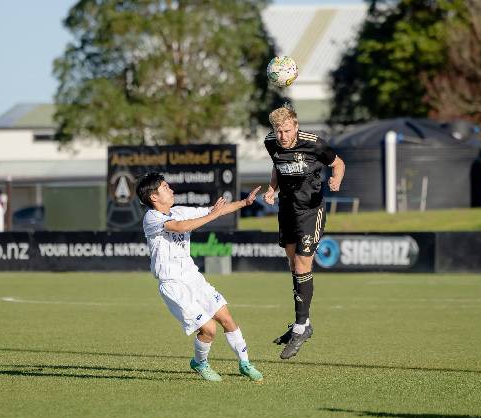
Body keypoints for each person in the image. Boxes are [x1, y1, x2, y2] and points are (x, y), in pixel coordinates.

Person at [137, 172, 264, 382]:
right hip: (173, 284)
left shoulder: (178, 210)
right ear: (154, 197)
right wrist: (213, 215)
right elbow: (180, 227)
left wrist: (245, 202)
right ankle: (200, 363)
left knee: (226, 318)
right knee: (209, 329)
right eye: (166, 187)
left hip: (193, 278)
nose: (171, 190)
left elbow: (216, 211)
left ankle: (245, 363)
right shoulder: (152, 217)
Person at [263, 105, 345, 359]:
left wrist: (336, 180)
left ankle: (300, 326)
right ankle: (303, 324)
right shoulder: (271, 143)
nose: (283, 136)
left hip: (310, 211)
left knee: (301, 266)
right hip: (287, 210)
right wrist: (271, 189)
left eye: (287, 130)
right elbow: (277, 166)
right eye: (279, 131)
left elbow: (338, 163)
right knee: (292, 264)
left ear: (296, 126)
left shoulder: (314, 144)